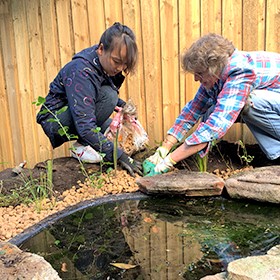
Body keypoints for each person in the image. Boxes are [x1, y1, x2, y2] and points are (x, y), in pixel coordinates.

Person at [143, 33, 280, 176]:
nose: (196, 79)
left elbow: (215, 126)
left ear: (213, 67)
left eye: (199, 73)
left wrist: (168, 162)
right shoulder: (216, 76)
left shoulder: (240, 72)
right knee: (212, 108)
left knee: (250, 102)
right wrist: (164, 149)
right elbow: (193, 110)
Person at [37, 22, 142, 177]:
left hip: (76, 112)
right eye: (117, 61)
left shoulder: (102, 65)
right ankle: (81, 145)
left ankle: (89, 145)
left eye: (125, 64)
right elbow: (86, 123)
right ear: (101, 49)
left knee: (114, 130)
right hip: (55, 120)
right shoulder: (81, 71)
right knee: (109, 97)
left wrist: (124, 107)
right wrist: (119, 156)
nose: (120, 68)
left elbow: (93, 94)